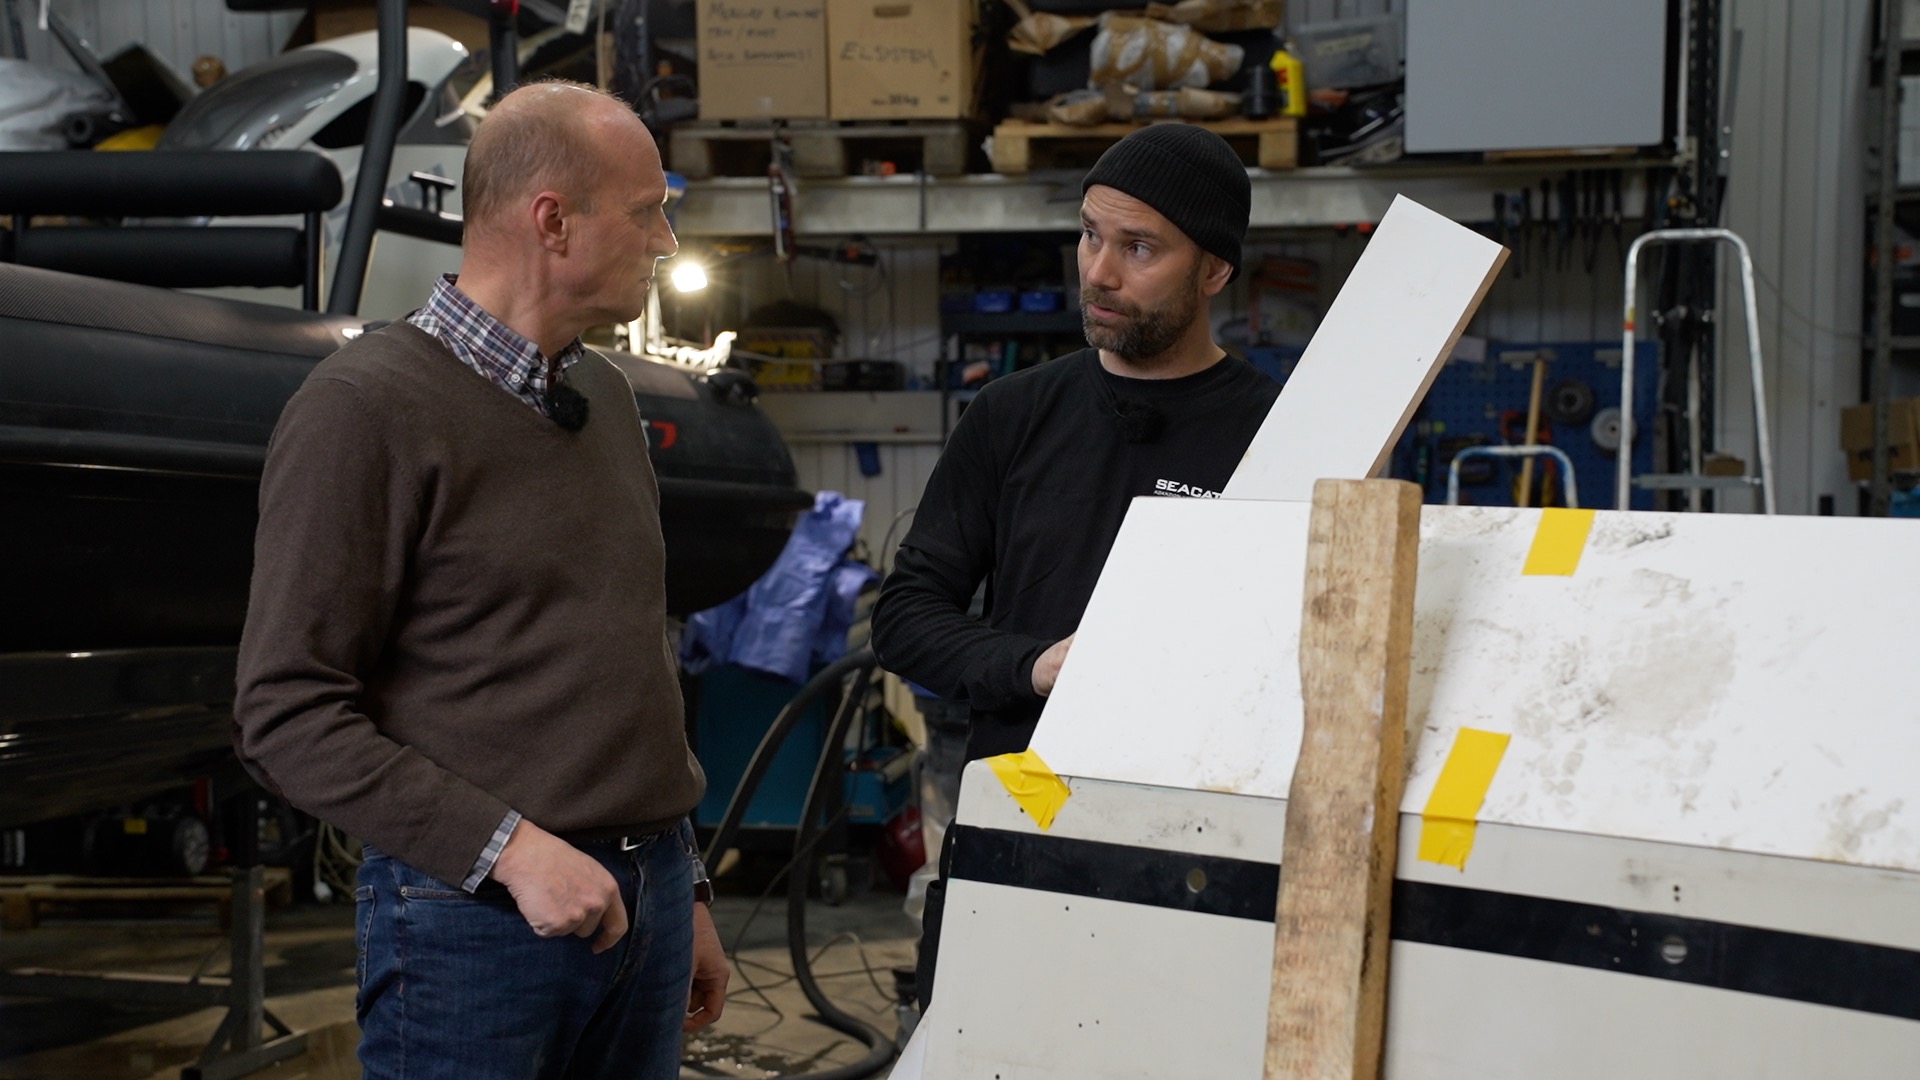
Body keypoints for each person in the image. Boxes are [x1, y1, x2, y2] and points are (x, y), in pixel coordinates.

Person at [233, 80, 727, 1079]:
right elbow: (284, 712)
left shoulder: (602, 394)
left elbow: (628, 665)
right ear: (553, 220)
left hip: (649, 898)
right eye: (647, 212)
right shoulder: (365, 408)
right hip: (478, 920)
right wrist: (510, 851)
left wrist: (685, 887)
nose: (666, 241)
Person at [870, 124, 1281, 1010]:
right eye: (1091, 235)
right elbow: (906, 616)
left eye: (1140, 248)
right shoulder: (1012, 415)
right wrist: (1033, 664)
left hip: (1204, 849)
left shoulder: (1280, 436)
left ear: (1214, 270)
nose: (1099, 271)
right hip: (1018, 829)